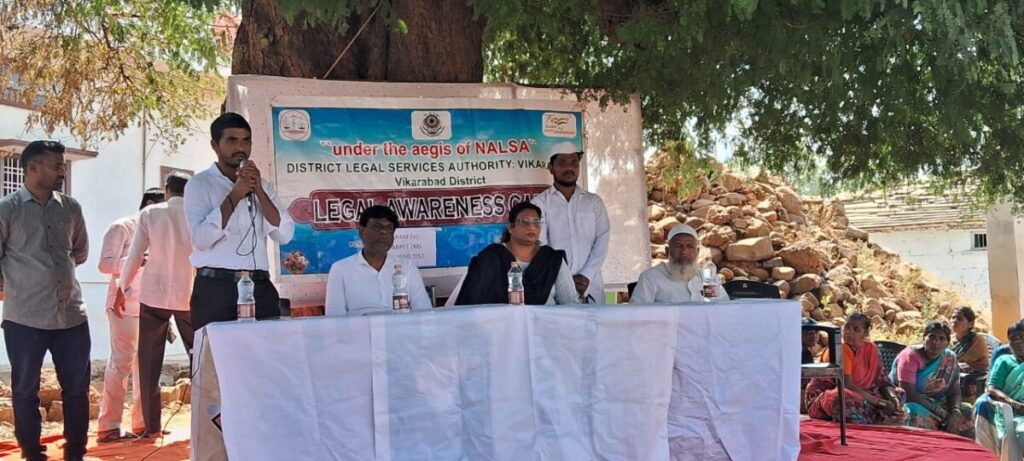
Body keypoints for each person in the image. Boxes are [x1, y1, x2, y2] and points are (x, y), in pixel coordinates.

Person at [0, 140, 90, 461]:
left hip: (71, 316)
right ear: (32, 168)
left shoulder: (71, 207)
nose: (62, 172)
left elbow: (79, 252)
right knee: (25, 391)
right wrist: (19, 286)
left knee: (77, 390)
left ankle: (75, 452)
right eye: (56, 166)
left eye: (63, 166)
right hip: (25, 318)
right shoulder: (7, 209)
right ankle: (32, 453)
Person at [184, 112, 294, 330]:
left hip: (259, 286)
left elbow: (284, 235)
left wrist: (258, 190)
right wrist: (235, 195)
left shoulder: (264, 186)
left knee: (267, 348)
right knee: (214, 350)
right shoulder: (200, 184)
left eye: (246, 141)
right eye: (232, 141)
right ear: (215, 145)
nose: (240, 148)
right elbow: (202, 239)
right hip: (216, 288)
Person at [119, 172, 195, 437]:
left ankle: (151, 428)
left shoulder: (150, 214)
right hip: (189, 294)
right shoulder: (196, 214)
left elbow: (135, 254)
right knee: (200, 359)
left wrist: (123, 286)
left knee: (149, 364)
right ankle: (206, 422)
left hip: (154, 295)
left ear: (167, 189)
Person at [95, 187, 163, 442]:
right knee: (121, 363)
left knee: (146, 367)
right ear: (150, 205)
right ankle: (109, 426)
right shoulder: (121, 227)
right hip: (124, 306)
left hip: (151, 305)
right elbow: (104, 264)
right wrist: (137, 260)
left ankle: (144, 423)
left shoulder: (160, 232)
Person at [454, 201, 578, 306]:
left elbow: (570, 305)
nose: (532, 227)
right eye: (525, 222)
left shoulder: (551, 259)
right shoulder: (491, 258)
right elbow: (471, 303)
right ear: (510, 227)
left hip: (545, 326)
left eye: (536, 222)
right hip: (501, 326)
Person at [531, 141, 610, 303]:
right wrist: (565, 279)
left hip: (591, 287)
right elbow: (541, 248)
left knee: (595, 320)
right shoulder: (539, 204)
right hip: (555, 288)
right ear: (551, 168)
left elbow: (602, 240)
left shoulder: (594, 202)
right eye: (562, 162)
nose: (569, 167)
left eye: (574, 162)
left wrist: (586, 275)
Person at [325, 205, 432, 314]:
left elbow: (424, 312)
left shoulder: (407, 267)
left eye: (389, 228)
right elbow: (335, 317)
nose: (383, 232)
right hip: (360, 325)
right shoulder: (341, 269)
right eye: (376, 227)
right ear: (361, 231)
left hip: (400, 325)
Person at [805, 313, 905, 425]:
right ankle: (878, 421)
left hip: (866, 397)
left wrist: (892, 399)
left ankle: (879, 418)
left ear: (866, 333)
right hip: (828, 399)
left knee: (899, 393)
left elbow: (883, 381)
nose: (849, 332)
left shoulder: (871, 349)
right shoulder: (840, 349)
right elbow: (847, 385)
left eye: (856, 329)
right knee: (842, 397)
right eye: (847, 327)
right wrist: (881, 403)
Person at [891, 321, 971, 435]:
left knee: (968, 412)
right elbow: (909, 394)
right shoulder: (910, 357)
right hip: (910, 402)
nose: (936, 342)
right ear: (924, 338)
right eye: (932, 337)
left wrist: (955, 412)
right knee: (911, 412)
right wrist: (942, 413)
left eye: (942, 339)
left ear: (947, 344)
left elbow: (954, 391)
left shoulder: (950, 358)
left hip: (938, 403)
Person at [629, 224, 729, 303]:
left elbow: (720, 307)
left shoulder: (707, 278)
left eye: (690, 247)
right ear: (667, 251)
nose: (684, 252)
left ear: (697, 252)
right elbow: (637, 314)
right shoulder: (650, 277)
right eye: (678, 246)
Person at [976, 320, 1024, 460]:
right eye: (1013, 338)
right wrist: (1015, 404)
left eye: (1022, 336)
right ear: (1009, 343)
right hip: (1015, 412)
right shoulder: (1004, 361)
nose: (1019, 341)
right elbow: (992, 388)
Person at [951, 306, 990, 404]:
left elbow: (977, 364)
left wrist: (953, 365)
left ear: (970, 324)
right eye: (953, 318)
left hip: (969, 383)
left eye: (959, 319)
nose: (954, 321)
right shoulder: (948, 339)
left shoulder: (977, 340)